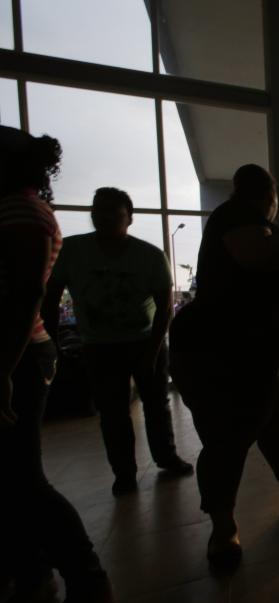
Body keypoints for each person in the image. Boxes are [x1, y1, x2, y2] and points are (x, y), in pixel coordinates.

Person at [168, 165, 279, 571]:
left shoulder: (252, 224)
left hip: (255, 356)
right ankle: (223, 528)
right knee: (226, 441)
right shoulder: (238, 218)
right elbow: (259, 257)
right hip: (220, 355)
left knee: (275, 428)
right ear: (268, 196)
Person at [0, 125, 112, 603]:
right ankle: (32, 572)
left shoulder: (22, 212)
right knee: (10, 478)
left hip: (16, 357)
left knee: (22, 477)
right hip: (17, 354)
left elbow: (24, 295)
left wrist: (1, 367)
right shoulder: (21, 207)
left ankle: (85, 579)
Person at [42, 187, 192, 496]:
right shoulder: (72, 252)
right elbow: (51, 299)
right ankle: (126, 471)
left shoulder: (149, 256)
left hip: (143, 340)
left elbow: (164, 307)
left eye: (113, 212)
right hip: (99, 345)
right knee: (114, 412)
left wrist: (152, 351)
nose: (103, 217)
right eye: (98, 211)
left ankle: (161, 458)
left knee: (153, 405)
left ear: (129, 218)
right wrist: (51, 342)